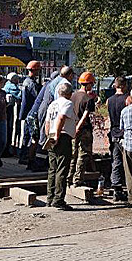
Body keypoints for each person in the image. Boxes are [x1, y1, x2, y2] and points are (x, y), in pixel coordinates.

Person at [44, 82, 76, 210]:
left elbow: (47, 122)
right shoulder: (67, 103)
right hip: (62, 137)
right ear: (69, 94)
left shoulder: (53, 104)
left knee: (52, 168)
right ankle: (58, 199)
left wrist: (49, 136)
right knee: (62, 168)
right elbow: (61, 118)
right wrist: (57, 135)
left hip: (52, 135)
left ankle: (50, 197)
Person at [68, 71, 97, 187]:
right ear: (88, 84)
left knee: (72, 154)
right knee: (83, 154)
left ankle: (68, 177)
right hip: (83, 129)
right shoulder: (88, 99)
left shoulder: (72, 96)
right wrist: (78, 128)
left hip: (72, 127)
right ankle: (78, 179)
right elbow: (85, 116)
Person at [106, 77, 129, 202]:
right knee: (128, 161)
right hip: (124, 133)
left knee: (115, 160)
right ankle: (130, 187)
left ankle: (116, 188)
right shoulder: (127, 99)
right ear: (124, 85)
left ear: (115, 86)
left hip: (113, 132)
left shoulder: (109, 101)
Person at [18, 61, 42, 164]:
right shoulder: (31, 84)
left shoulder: (25, 82)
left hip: (26, 112)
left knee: (26, 135)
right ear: (35, 70)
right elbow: (37, 97)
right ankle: (27, 157)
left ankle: (23, 156)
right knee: (32, 135)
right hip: (31, 113)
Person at [3, 73, 22, 157]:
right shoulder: (12, 87)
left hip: (6, 108)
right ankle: (7, 149)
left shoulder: (7, 85)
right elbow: (19, 95)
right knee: (9, 128)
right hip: (9, 109)